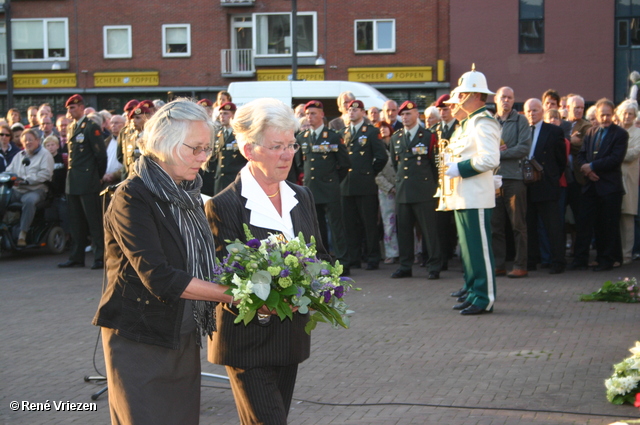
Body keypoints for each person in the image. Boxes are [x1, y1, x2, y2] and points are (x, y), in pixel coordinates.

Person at [92, 98, 233, 425]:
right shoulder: (132, 195)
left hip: (180, 333)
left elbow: (201, 257)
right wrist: (229, 293)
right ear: (165, 143)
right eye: (195, 148)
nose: (203, 158)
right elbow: (158, 276)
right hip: (139, 337)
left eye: (207, 149)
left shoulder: (190, 192)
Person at [204, 97, 329, 425]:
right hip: (247, 342)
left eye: (291, 144)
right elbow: (223, 277)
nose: (288, 154)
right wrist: (262, 302)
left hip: (290, 339)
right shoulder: (223, 205)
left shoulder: (302, 196)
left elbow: (321, 256)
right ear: (248, 149)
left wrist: (323, 285)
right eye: (277, 146)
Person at [443, 65, 500, 315]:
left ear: (477, 96)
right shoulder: (468, 123)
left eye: (463, 94)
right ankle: (474, 290)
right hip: (463, 194)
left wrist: (459, 168)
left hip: (475, 194)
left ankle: (484, 298)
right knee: (469, 250)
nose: (458, 99)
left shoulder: (483, 121)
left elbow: (490, 159)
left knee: (480, 251)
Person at [570, 98, 629, 271]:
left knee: (607, 225)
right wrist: (587, 169)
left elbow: (615, 158)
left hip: (610, 187)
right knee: (584, 223)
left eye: (608, 115)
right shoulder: (590, 132)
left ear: (613, 114)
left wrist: (593, 166)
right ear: (596, 114)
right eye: (602, 115)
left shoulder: (620, 134)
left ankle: (606, 260)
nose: (605, 118)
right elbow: (581, 155)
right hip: (590, 185)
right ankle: (580, 260)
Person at [295, 100, 350, 271]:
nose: (309, 117)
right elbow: (298, 165)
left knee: (336, 227)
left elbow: (344, 163)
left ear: (321, 115)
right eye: (307, 114)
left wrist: (333, 181)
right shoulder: (302, 137)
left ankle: (342, 262)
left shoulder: (332, 136)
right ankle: (323, 261)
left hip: (330, 188)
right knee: (316, 229)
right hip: (311, 189)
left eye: (313, 114)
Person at [390, 100, 441, 280]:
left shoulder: (428, 136)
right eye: (402, 114)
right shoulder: (396, 137)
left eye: (408, 114)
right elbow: (396, 164)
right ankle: (405, 265)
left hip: (423, 190)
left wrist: (434, 187)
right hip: (403, 191)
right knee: (403, 231)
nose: (405, 117)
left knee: (429, 231)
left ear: (417, 115)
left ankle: (434, 265)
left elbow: (435, 165)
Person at [58, 94, 107, 270]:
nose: (69, 111)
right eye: (68, 108)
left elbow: (101, 156)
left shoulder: (91, 127)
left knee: (94, 221)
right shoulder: (72, 128)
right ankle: (76, 256)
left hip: (88, 181)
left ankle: (100, 256)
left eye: (72, 107)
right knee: (76, 221)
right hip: (73, 181)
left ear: (81, 107)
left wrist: (97, 176)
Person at [340, 99, 388, 270]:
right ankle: (354, 257)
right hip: (347, 184)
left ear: (363, 113)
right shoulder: (343, 132)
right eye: (349, 110)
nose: (352, 113)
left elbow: (382, 157)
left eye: (355, 110)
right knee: (350, 224)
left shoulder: (370, 132)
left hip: (365, 183)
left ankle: (372, 256)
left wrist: (370, 172)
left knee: (368, 223)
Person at [523, 98, 567, 274]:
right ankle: (532, 260)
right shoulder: (522, 130)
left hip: (546, 184)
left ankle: (558, 261)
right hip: (526, 184)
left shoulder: (554, 131)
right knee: (529, 225)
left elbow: (561, 160)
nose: (532, 114)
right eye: (528, 111)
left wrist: (550, 175)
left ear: (542, 111)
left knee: (553, 226)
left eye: (535, 110)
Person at [492, 86, 531, 278]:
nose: (506, 100)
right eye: (502, 97)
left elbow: (524, 148)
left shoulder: (521, 120)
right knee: (495, 225)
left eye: (509, 97)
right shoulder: (490, 122)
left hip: (514, 179)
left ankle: (520, 265)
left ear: (514, 100)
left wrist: (501, 153)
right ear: (496, 100)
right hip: (493, 180)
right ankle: (498, 265)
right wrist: (498, 153)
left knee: (518, 225)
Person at [6, 129, 54, 246]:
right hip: (18, 190)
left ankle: (23, 233)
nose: (28, 143)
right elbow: (9, 171)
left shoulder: (45, 155)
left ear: (37, 140)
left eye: (30, 140)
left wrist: (26, 180)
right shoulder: (19, 156)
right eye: (25, 141)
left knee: (29, 201)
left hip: (36, 189)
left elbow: (45, 174)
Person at [201, 101, 246, 196]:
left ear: (233, 116)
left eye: (226, 113)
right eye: (221, 113)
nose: (222, 116)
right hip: (219, 182)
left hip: (234, 181)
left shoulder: (240, 135)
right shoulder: (218, 134)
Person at [615, 100, 640, 265]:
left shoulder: (638, 133)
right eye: (625, 113)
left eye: (631, 113)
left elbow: (633, 153)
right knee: (613, 217)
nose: (627, 116)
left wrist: (614, 155)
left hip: (629, 180)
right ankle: (616, 254)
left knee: (627, 219)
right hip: (613, 180)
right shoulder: (615, 132)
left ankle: (626, 255)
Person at [375, 120, 399, 265]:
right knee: (388, 223)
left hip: (402, 188)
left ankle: (414, 252)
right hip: (386, 191)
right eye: (380, 128)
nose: (383, 130)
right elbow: (376, 173)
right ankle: (391, 253)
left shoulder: (397, 144)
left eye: (385, 127)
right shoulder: (377, 148)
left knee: (407, 223)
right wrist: (390, 187)